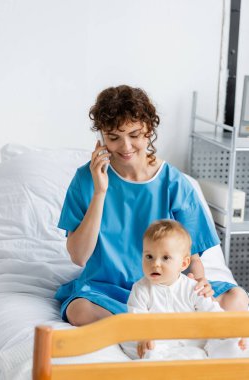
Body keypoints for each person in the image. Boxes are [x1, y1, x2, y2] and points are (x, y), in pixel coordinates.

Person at [55, 84, 248, 328]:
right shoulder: (86, 179)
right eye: (114, 137)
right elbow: (79, 257)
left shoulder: (174, 183)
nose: (125, 147)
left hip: (167, 289)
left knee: (237, 298)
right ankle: (148, 326)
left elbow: (192, 257)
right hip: (109, 290)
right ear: (102, 136)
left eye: (134, 135)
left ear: (149, 130)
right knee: (79, 310)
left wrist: (199, 284)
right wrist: (100, 191)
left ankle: (141, 326)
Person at [120, 219, 246, 360]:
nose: (155, 264)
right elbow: (137, 318)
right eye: (149, 256)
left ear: (184, 263)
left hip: (191, 342)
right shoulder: (141, 289)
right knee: (139, 346)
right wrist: (144, 337)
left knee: (217, 339)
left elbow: (213, 312)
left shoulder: (193, 287)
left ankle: (231, 346)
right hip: (157, 341)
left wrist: (229, 331)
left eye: (165, 258)